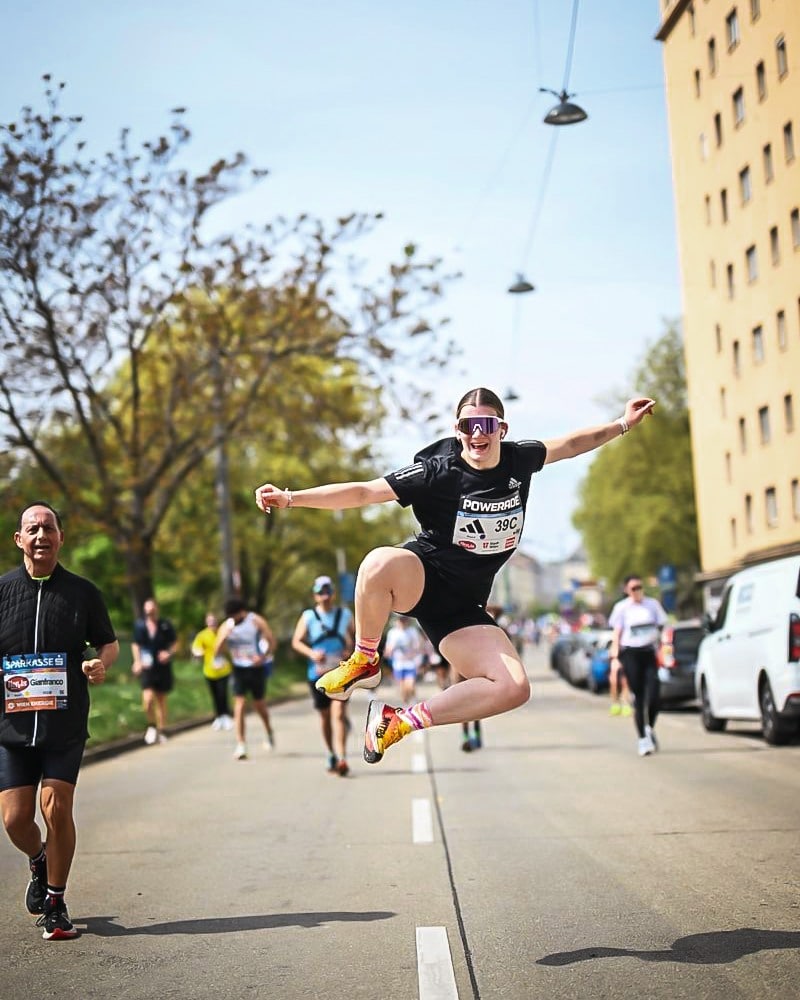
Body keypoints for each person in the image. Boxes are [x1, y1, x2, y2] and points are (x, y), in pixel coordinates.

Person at [254, 388, 656, 764]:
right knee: (376, 563)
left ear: (502, 430)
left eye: (486, 426)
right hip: (423, 576)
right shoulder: (437, 471)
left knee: (514, 687)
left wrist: (622, 424)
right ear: (457, 430)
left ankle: (398, 721)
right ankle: (365, 659)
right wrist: (291, 498)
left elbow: (570, 445)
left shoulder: (519, 460)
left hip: (463, 608)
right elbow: (363, 493)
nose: (477, 436)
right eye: (468, 426)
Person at [0, 501, 119, 940]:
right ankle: (39, 858)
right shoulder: (2, 591)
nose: (41, 536)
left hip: (64, 722)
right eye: (32, 529)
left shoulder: (83, 592)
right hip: (11, 723)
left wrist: (98, 664)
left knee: (56, 806)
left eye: (48, 528)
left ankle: (55, 900)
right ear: (19, 540)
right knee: (14, 820)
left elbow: (108, 643)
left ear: (61, 538)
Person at [291, 575, 355, 776]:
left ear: (333, 593)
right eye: (320, 593)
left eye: (327, 592)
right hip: (317, 673)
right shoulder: (308, 616)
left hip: (340, 673)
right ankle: (331, 753)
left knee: (338, 712)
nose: (324, 596)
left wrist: (349, 651)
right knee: (325, 715)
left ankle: (343, 758)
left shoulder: (345, 614)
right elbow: (296, 641)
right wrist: (311, 653)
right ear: (315, 595)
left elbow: (357, 639)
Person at [608, 575, 668, 756]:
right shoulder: (622, 608)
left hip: (649, 652)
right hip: (631, 654)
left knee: (655, 694)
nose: (637, 591)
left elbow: (662, 625)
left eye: (639, 587)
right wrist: (616, 657)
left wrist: (662, 645)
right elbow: (617, 632)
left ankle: (649, 726)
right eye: (633, 588)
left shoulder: (652, 605)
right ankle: (642, 739)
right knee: (639, 697)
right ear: (627, 590)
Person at [214, 597, 276, 760]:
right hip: (238, 668)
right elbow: (216, 651)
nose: (234, 619)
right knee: (239, 704)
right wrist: (223, 638)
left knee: (259, 704)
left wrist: (262, 657)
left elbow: (271, 641)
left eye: (236, 615)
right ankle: (241, 744)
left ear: (243, 612)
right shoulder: (226, 626)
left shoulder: (255, 620)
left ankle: (268, 731)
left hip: (256, 668)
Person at [131, 597, 177, 745]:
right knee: (148, 699)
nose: (150, 612)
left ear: (156, 609)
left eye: (152, 609)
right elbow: (136, 644)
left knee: (161, 698)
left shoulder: (165, 624)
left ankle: (162, 729)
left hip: (162, 667)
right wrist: (137, 661)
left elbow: (175, 643)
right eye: (147, 609)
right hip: (147, 666)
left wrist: (168, 653)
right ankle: (151, 725)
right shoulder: (140, 626)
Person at [191, 612, 233, 731]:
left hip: (224, 670)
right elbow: (196, 647)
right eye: (209, 621)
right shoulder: (202, 635)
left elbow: (228, 649)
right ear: (206, 623)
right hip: (209, 670)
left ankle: (226, 715)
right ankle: (218, 717)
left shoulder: (223, 632)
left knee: (223, 693)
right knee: (215, 695)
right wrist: (198, 652)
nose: (212, 623)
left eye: (214, 621)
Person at [383, 615, 425, 706]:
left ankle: (413, 701)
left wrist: (415, 653)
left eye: (404, 620)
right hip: (398, 663)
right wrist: (389, 651)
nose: (402, 622)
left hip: (411, 662)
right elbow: (388, 648)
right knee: (402, 688)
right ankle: (406, 703)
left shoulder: (412, 632)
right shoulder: (392, 633)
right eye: (400, 620)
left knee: (410, 685)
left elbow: (419, 646)